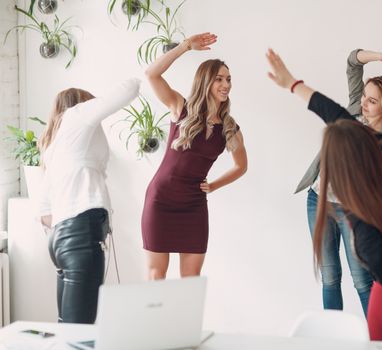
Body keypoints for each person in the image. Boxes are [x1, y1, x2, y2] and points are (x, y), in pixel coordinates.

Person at [266, 48, 382, 350]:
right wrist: (293, 84)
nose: (364, 105)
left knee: (363, 284)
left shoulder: (365, 218)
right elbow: (336, 114)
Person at [295, 48, 382, 314]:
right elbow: (352, 62)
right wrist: (379, 57)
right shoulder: (354, 110)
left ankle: (377, 341)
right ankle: (333, 338)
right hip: (318, 200)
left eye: (373, 101)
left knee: (362, 281)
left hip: (353, 212)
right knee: (330, 276)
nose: (365, 104)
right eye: (365, 97)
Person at [141, 32, 248, 280]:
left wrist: (212, 185)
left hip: (193, 206)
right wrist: (185, 46)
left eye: (229, 79)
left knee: (191, 280)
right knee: (156, 274)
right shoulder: (181, 108)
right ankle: (154, 320)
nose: (226, 84)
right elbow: (151, 74)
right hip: (161, 200)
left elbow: (241, 166)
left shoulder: (229, 128)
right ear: (205, 82)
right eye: (219, 79)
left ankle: (182, 321)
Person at [39, 79, 141, 323]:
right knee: (79, 333)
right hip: (80, 237)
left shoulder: (55, 146)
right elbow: (129, 88)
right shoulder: (77, 115)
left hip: (60, 239)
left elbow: (44, 212)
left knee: (68, 327)